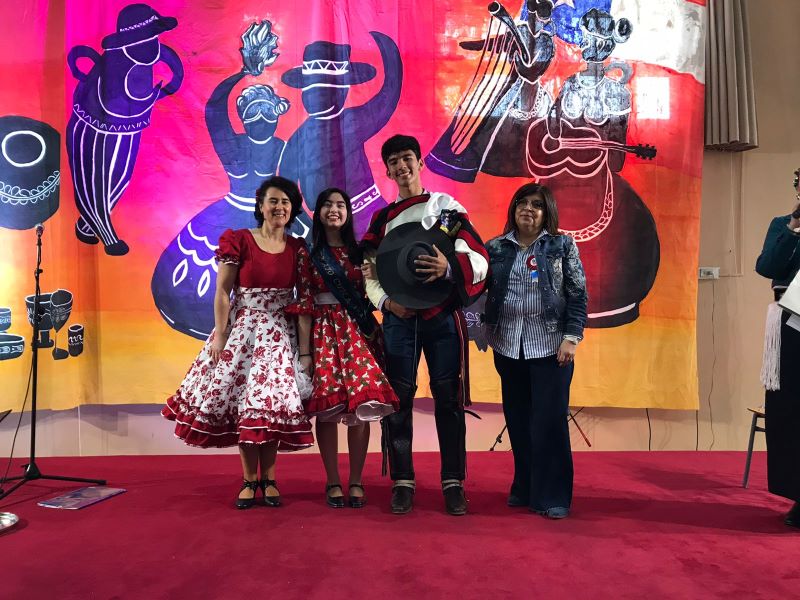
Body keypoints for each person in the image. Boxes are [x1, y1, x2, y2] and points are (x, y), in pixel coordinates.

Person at [162, 176, 314, 509]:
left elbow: (303, 300)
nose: (280, 207)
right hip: (243, 334)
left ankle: (269, 479)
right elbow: (222, 291)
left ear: (292, 209)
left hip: (280, 336)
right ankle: (248, 480)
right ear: (260, 205)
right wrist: (221, 335)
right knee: (246, 409)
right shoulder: (239, 240)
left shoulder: (298, 248)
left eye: (286, 202)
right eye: (273, 200)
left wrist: (304, 353)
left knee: (270, 410)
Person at [361, 134, 489, 516]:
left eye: (407, 158)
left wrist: (449, 268)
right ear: (387, 171)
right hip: (399, 321)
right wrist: (387, 303)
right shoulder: (382, 220)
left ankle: (454, 482)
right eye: (394, 161)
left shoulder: (444, 208)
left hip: (441, 317)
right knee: (398, 400)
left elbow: (475, 255)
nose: (401, 166)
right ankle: (402, 482)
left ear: (419, 162)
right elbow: (370, 273)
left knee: (448, 398)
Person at [287, 188, 398, 508]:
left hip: (357, 334)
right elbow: (304, 303)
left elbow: (374, 293)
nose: (334, 210)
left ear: (348, 213)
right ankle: (333, 479)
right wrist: (305, 353)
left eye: (340, 205)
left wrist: (375, 275)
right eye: (327, 205)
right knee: (327, 411)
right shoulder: (308, 253)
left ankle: (357, 480)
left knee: (360, 408)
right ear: (318, 212)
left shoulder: (361, 252)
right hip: (323, 333)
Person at [483, 182, 587, 519]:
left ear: (547, 212)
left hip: (551, 346)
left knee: (549, 422)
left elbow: (578, 293)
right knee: (519, 421)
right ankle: (525, 487)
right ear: (513, 208)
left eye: (537, 205)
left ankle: (553, 496)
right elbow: (478, 288)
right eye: (522, 202)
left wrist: (572, 337)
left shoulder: (561, 245)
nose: (528, 209)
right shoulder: (495, 247)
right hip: (507, 346)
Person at [755, 177, 800, 529]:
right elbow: (767, 267)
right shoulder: (783, 224)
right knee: (790, 410)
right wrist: (794, 226)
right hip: (791, 323)